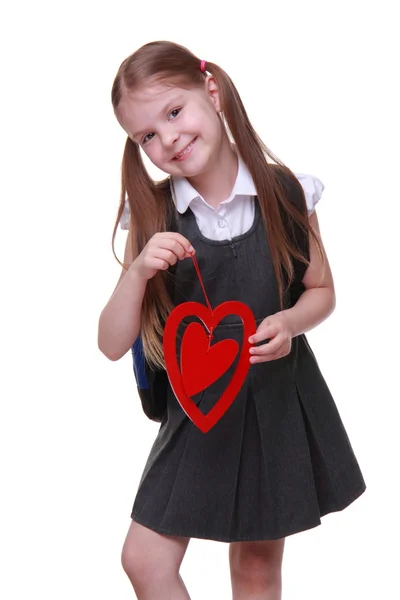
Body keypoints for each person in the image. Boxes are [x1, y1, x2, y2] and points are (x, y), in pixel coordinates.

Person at [98, 40, 366, 600]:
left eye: (173, 112)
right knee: (144, 558)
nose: (166, 138)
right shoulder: (151, 213)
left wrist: (291, 323)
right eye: (146, 134)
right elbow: (110, 343)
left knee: (256, 571)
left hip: (272, 405)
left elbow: (321, 290)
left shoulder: (286, 193)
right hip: (198, 409)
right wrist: (137, 273)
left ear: (211, 92)